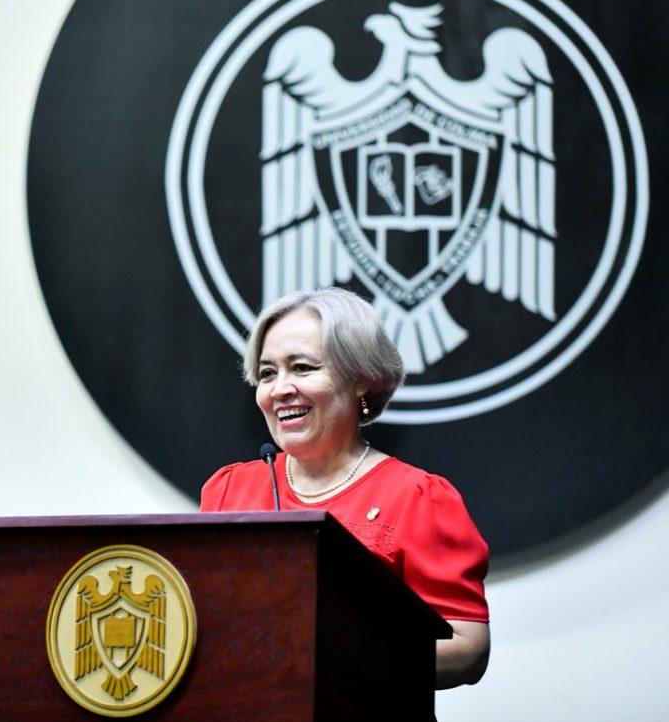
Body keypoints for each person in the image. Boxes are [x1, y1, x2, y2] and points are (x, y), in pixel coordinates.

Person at [199, 286, 490, 689]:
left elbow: (466, 649)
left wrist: (327, 664)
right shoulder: (229, 490)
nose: (280, 389)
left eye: (302, 368)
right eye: (267, 373)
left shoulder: (417, 497)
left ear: (362, 380)